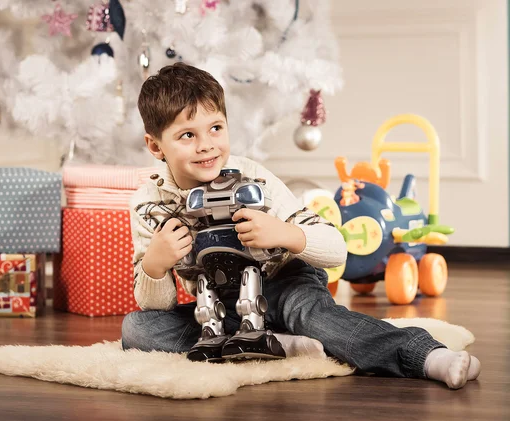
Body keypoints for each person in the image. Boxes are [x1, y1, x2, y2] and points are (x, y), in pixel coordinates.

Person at [121, 62, 480, 389]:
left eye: (216, 128)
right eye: (187, 136)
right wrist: (155, 264)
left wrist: (285, 234)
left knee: (315, 318)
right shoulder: (149, 203)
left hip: (287, 285)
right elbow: (157, 303)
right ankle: (271, 341)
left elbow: (337, 247)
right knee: (137, 328)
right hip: (220, 303)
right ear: (155, 145)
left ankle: (425, 355)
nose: (206, 146)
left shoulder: (253, 179)